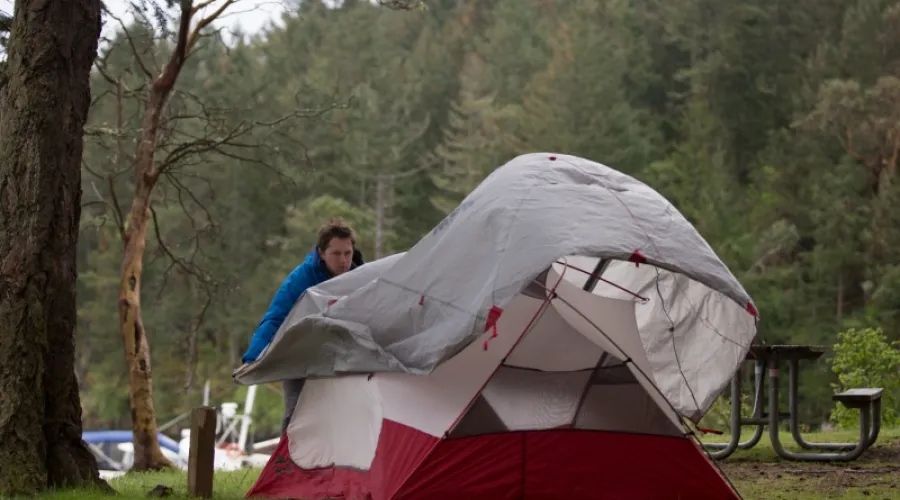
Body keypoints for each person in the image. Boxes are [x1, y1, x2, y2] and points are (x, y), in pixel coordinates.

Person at [241, 218, 364, 432]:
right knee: (296, 413)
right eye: (336, 254)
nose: (343, 260)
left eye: (347, 253)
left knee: (345, 414)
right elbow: (276, 316)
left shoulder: (362, 277)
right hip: (300, 354)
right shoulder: (301, 278)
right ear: (322, 253)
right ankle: (284, 464)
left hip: (340, 355)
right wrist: (253, 357)